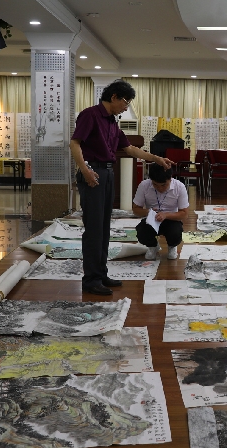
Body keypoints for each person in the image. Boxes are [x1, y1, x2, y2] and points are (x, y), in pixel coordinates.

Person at [70, 79, 174, 295]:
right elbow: (75, 143)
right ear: (114, 97)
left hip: (107, 173)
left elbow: (130, 149)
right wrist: (85, 170)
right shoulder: (90, 115)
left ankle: (101, 273)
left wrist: (156, 158)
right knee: (94, 229)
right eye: (126, 102)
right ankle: (91, 280)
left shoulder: (111, 122)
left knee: (104, 227)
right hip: (93, 172)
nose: (126, 108)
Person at [132, 163, 189, 260]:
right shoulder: (144, 185)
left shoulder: (179, 187)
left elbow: (184, 214)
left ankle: (172, 246)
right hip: (151, 219)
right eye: (155, 185)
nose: (160, 188)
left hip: (171, 219)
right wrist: (148, 212)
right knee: (141, 231)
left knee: (175, 233)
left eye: (164, 185)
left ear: (170, 179)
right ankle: (153, 246)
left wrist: (166, 215)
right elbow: (136, 209)